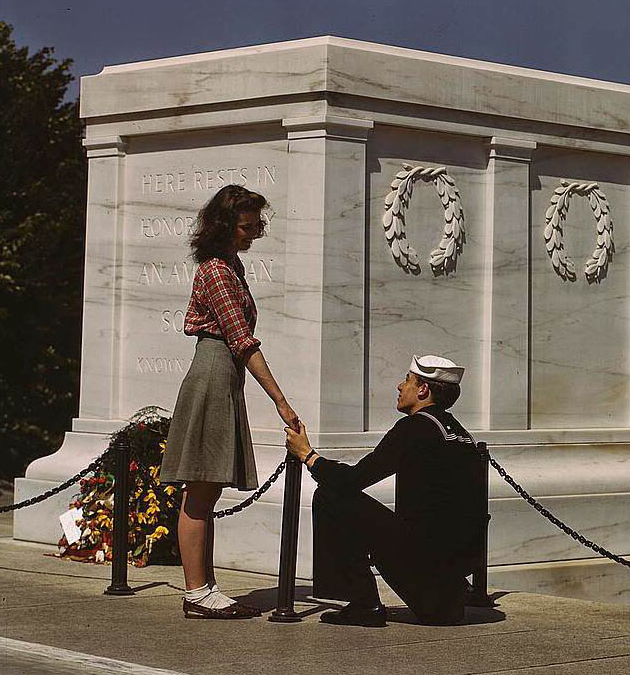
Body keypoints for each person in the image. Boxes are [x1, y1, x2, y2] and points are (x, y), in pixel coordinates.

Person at [161, 184, 300, 619]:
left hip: (222, 375)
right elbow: (242, 342)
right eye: (247, 226)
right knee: (200, 489)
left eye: (258, 225)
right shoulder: (219, 271)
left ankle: (205, 587)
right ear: (225, 225)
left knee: (207, 487)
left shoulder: (229, 265)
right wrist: (281, 401)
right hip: (214, 372)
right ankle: (197, 591)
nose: (254, 233)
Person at [285, 355, 485, 627]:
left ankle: (362, 603)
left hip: (428, 584)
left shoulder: (416, 428)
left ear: (423, 390)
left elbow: (353, 480)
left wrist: (308, 455)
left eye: (407, 381)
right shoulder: (461, 434)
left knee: (330, 496)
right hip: (451, 592)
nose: (399, 387)